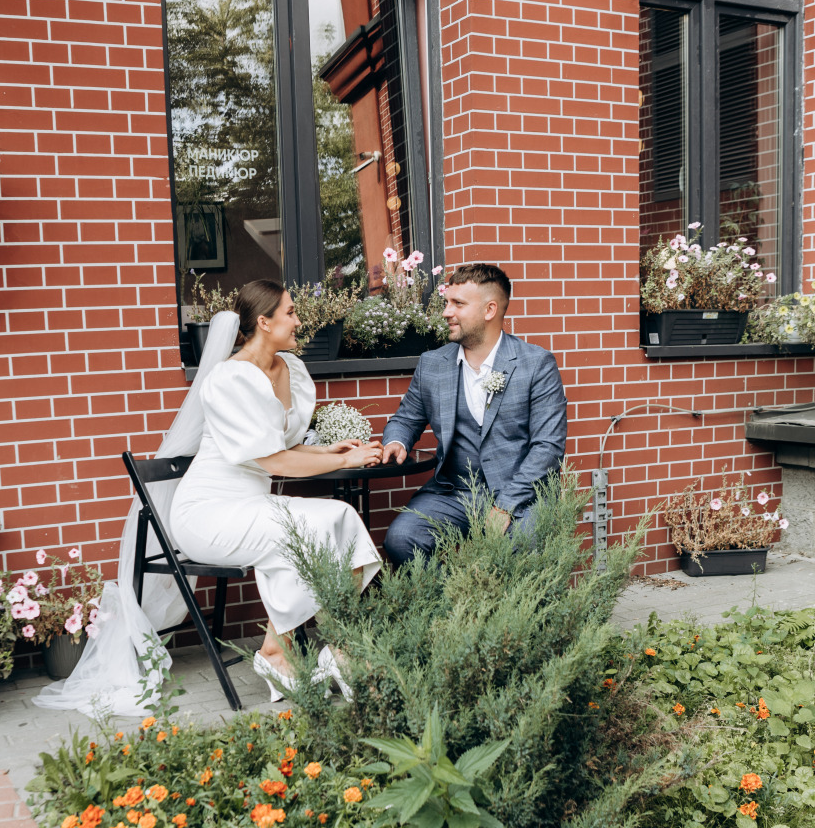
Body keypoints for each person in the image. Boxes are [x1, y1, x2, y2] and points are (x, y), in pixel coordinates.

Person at [171, 279, 383, 700]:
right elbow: (272, 461)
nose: (299, 320)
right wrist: (345, 461)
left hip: (254, 505)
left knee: (341, 517)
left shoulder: (290, 370)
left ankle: (325, 648)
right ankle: (286, 651)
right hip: (209, 512)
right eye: (290, 312)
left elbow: (282, 444)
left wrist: (326, 448)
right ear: (264, 322)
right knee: (303, 528)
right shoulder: (229, 379)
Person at [380, 263, 567, 565]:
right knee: (402, 538)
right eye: (446, 302)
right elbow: (406, 418)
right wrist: (397, 442)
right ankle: (452, 607)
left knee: (521, 546)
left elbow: (548, 447)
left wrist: (505, 506)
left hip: (519, 494)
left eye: (458, 304)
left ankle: (510, 611)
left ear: (489, 310)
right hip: (454, 492)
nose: (446, 312)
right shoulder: (433, 364)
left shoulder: (536, 364)